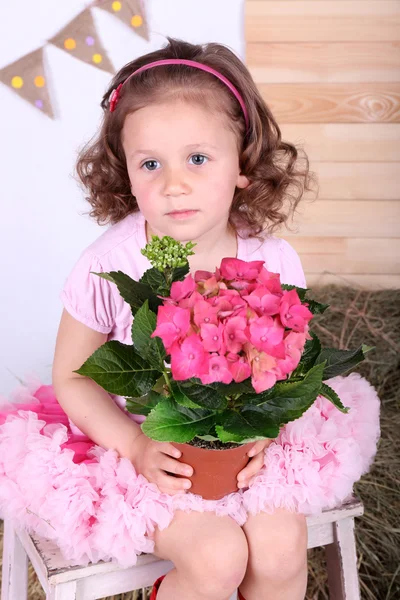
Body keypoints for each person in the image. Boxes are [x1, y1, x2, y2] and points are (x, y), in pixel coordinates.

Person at [0, 38, 380, 600]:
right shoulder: (112, 264)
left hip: (243, 444)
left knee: (278, 549)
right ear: (125, 175)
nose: (173, 183)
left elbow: (284, 370)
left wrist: (267, 432)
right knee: (218, 555)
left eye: (198, 158)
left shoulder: (270, 260)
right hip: (143, 448)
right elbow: (74, 376)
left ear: (243, 166)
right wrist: (135, 447)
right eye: (150, 163)